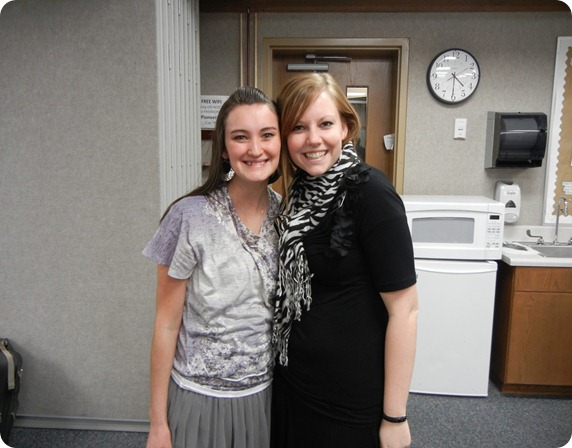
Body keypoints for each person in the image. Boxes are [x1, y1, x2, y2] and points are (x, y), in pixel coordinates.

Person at [271, 73, 419, 448]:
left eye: (325, 124)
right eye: (298, 127)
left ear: (346, 127)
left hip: (347, 396)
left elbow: (405, 311)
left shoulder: (370, 193)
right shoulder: (296, 194)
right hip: (292, 384)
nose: (313, 139)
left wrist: (395, 416)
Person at [143, 86, 282, 448]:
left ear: (280, 141)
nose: (255, 149)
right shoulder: (189, 217)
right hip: (199, 397)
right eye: (240, 137)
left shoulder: (288, 216)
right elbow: (166, 323)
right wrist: (158, 423)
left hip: (266, 397)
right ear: (223, 148)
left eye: (267, 134)